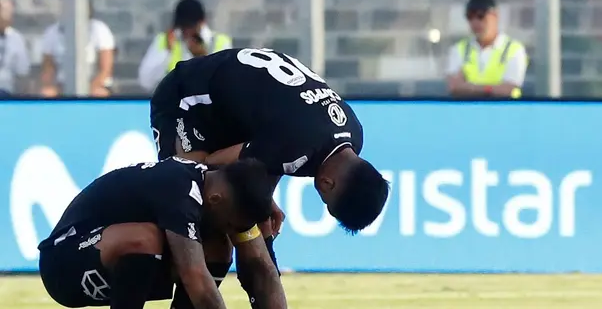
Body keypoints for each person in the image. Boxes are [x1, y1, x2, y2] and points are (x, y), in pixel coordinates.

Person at [150, 47, 388, 309]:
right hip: (186, 98)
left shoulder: (353, 133)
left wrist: (259, 198)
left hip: (228, 109)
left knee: (250, 227)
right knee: (203, 210)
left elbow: (274, 151)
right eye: (327, 202)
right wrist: (252, 201)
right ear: (327, 184)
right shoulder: (299, 144)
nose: (321, 196)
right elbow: (212, 162)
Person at [38, 157, 285, 309]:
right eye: (232, 224)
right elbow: (195, 276)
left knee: (218, 247)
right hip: (62, 264)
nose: (232, 232)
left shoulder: (208, 184)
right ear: (216, 199)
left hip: (111, 260)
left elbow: (251, 260)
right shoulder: (179, 190)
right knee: (146, 238)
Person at [138, 0, 233, 92]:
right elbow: (146, 82)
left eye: (190, 26)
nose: (186, 31)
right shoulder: (164, 40)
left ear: (201, 22)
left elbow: (225, 84)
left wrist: (203, 58)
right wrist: (167, 51)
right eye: (183, 26)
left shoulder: (220, 42)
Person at [445, 0, 529, 98]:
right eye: (470, 17)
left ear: (495, 16)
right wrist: (492, 88)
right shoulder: (459, 49)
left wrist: (469, 87)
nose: (475, 22)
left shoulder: (514, 50)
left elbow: (508, 90)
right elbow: (454, 87)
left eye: (481, 16)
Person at [39, 8, 116, 97]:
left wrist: (85, 91)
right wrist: (50, 86)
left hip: (95, 84)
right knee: (46, 94)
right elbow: (48, 67)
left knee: (99, 95)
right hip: (62, 85)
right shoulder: (52, 31)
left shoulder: (99, 29)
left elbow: (105, 70)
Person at [0, 0, 31, 96]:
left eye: (10, 12)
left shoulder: (17, 38)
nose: (7, 15)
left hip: (6, 91)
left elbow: (22, 71)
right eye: (3, 11)